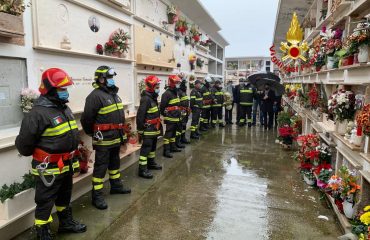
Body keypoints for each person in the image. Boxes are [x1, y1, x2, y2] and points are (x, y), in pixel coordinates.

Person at [15, 68, 87, 239]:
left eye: (66, 89)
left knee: (64, 196)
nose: (65, 92)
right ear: (49, 89)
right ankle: (42, 232)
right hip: (48, 169)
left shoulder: (63, 108)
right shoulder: (37, 114)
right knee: (45, 201)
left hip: (66, 165)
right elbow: (24, 146)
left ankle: (66, 223)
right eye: (62, 89)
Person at [81, 66, 131, 210]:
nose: (111, 80)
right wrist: (93, 133)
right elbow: (86, 120)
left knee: (115, 164)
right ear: (101, 79)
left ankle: (116, 186)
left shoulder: (114, 94)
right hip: (103, 140)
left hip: (115, 138)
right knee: (100, 168)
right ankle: (97, 196)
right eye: (109, 78)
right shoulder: (94, 96)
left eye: (112, 77)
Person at [136, 76, 162, 179]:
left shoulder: (152, 96)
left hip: (154, 129)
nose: (158, 87)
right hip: (148, 130)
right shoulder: (146, 98)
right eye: (157, 85)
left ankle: (151, 163)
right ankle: (142, 170)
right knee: (145, 150)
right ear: (152, 86)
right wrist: (140, 130)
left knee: (152, 148)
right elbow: (140, 116)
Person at [160, 75, 182, 158]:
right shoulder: (166, 94)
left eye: (178, 83)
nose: (178, 84)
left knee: (173, 133)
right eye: (177, 83)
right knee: (168, 134)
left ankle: (173, 147)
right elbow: (162, 107)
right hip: (170, 117)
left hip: (176, 116)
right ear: (172, 83)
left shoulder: (176, 92)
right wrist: (167, 115)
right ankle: (166, 151)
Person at [177, 74, 191, 144]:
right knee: (180, 126)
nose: (185, 86)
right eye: (184, 83)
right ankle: (178, 140)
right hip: (181, 112)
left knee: (184, 125)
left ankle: (183, 138)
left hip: (185, 111)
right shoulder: (178, 92)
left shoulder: (184, 92)